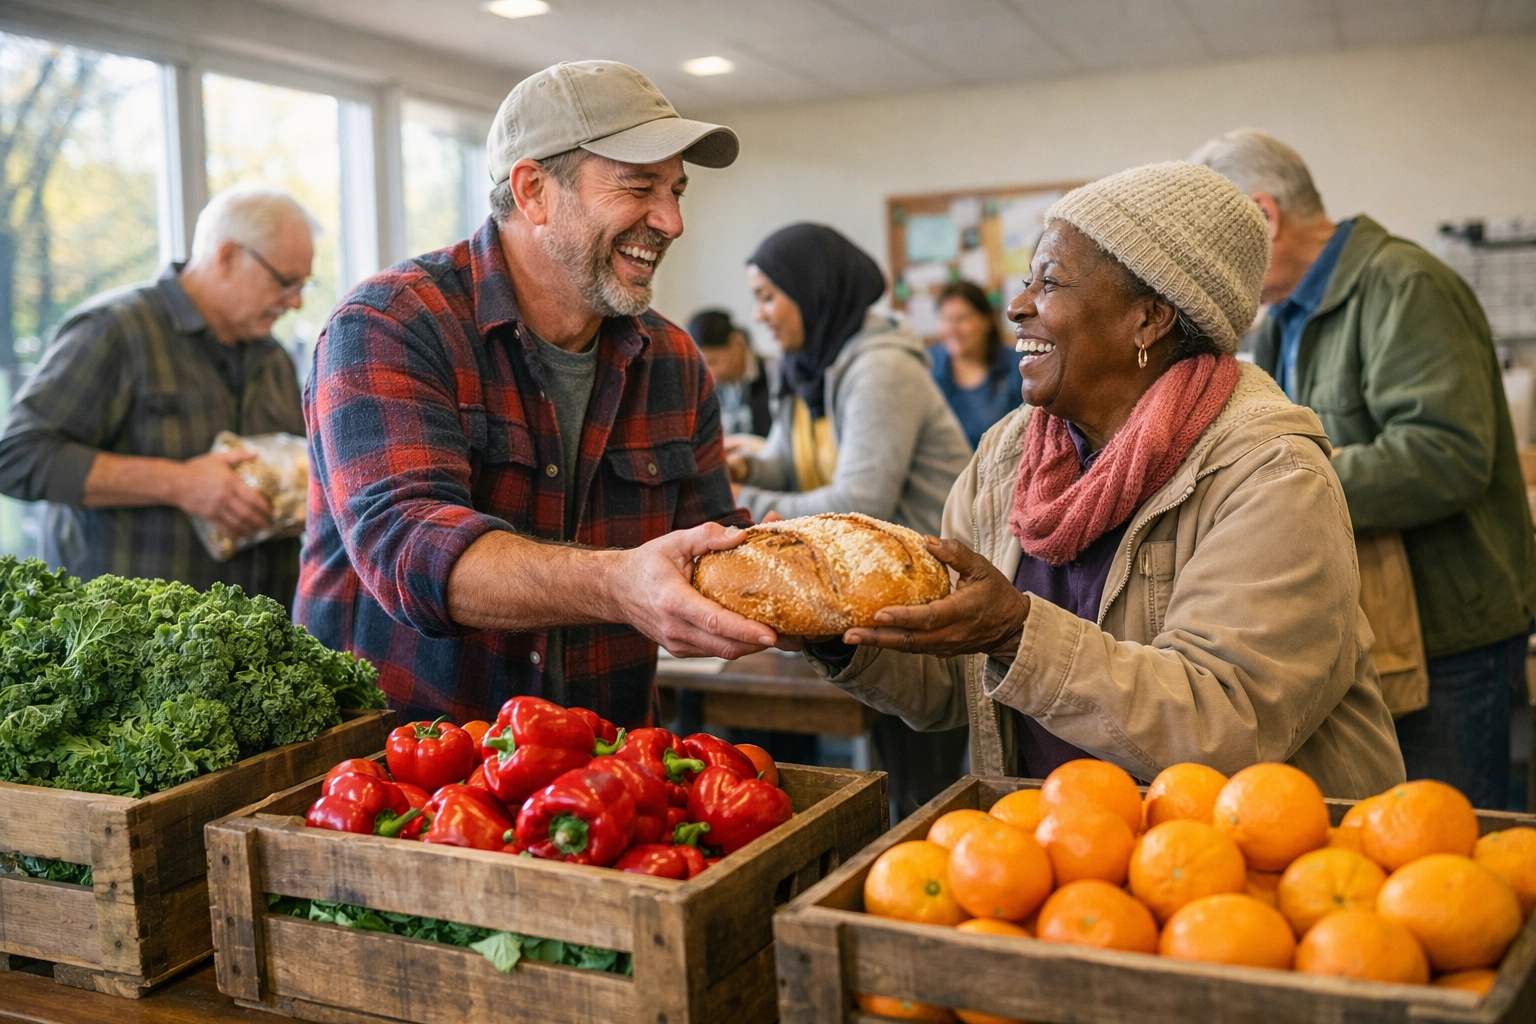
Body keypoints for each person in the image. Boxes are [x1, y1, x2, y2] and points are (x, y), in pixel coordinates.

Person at [788, 162, 1404, 799]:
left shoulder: (1272, 474)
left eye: (1050, 282)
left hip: (1243, 855)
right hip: (1056, 844)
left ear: (1149, 318)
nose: (1017, 306)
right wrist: (831, 622)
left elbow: (1227, 725)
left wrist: (1014, 631)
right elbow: (956, 681)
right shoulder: (1010, 452)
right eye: (1027, 280)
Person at [296, 61, 777, 730]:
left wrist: (800, 570)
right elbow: (412, 553)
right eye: (639, 187)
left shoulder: (671, 359)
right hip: (401, 781)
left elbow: (710, 548)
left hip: (604, 776)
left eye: (676, 191)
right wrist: (618, 585)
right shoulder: (390, 324)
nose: (671, 221)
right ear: (533, 191)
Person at [1194, 129, 1536, 809]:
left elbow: (1446, 455)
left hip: (1447, 635)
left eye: (1222, 242)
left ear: (1264, 216)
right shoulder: (1281, 315)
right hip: (1377, 627)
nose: (1215, 267)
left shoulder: (1404, 283)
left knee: (1451, 862)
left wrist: (1282, 488)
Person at [730, 222, 973, 816]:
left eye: (767, 295)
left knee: (922, 784)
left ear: (812, 291)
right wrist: (740, 469)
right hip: (863, 595)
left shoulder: (883, 369)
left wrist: (747, 514)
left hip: (924, 596)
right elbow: (793, 462)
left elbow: (863, 497)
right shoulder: (808, 366)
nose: (759, 314)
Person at [0, 183, 312, 606]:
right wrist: (181, 484)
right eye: (285, 282)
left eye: (303, 286)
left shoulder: (273, 358)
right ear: (227, 256)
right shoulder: (115, 330)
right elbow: (19, 457)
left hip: (252, 649)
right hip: (128, 647)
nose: (295, 303)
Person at [929, 281, 1023, 449]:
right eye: (945, 319)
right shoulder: (929, 366)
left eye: (961, 318)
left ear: (986, 320)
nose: (952, 328)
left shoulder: (1017, 366)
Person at [687, 308, 773, 437]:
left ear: (736, 342)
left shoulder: (775, 374)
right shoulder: (714, 389)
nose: (710, 374)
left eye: (713, 362)